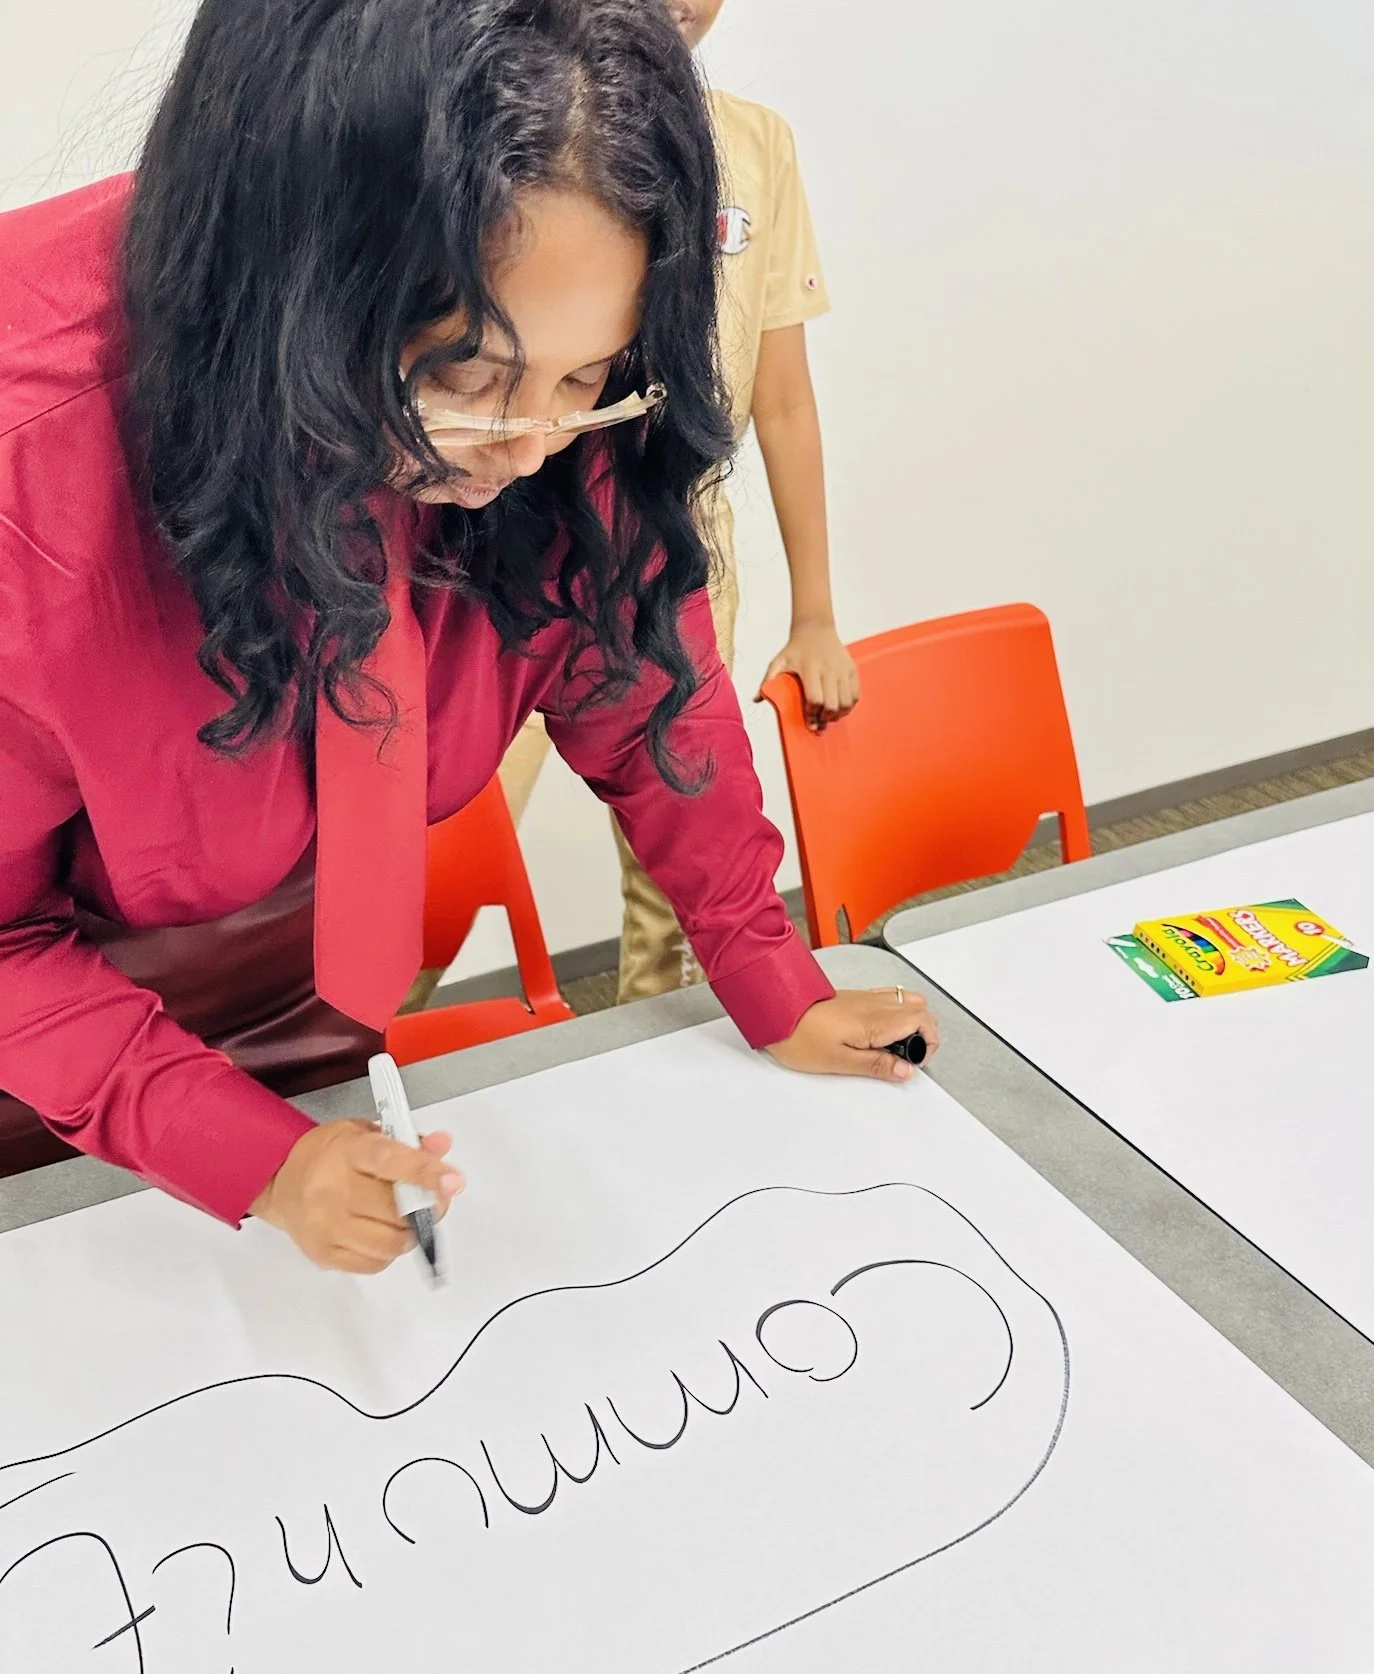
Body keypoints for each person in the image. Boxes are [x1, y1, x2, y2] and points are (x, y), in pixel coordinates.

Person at [0, 0, 937, 1275]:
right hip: (34, 1070)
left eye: (584, 380)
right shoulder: (32, 466)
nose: (534, 447)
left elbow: (632, 662)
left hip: (320, 1009)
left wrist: (765, 963)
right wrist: (243, 1152)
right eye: (465, 377)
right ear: (295, 282)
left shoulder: (550, 400)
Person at [495, 0, 860, 1004]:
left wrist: (816, 613)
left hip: (678, 543)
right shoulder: (504, 127)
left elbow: (782, 400)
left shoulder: (755, 145)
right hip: (509, 533)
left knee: (684, 881)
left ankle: (681, 1092)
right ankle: (359, 1086)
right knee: (440, 853)